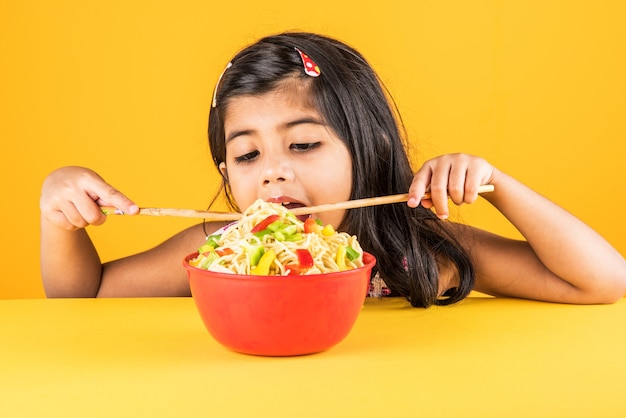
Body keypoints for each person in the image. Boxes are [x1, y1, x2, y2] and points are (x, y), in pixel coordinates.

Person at [39, 32, 626, 307]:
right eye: (247, 156)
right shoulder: (220, 251)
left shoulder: (419, 249)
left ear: (364, 148)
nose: (271, 174)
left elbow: (603, 282)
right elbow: (82, 294)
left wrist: (498, 186)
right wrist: (58, 214)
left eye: (302, 145)